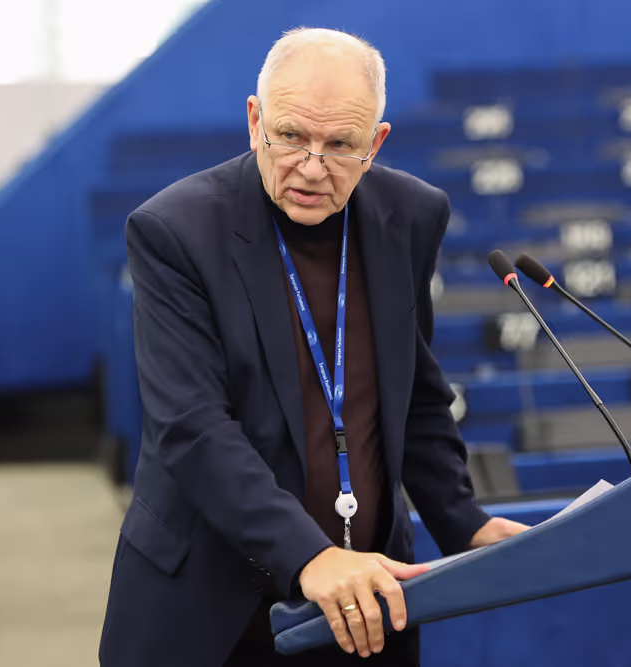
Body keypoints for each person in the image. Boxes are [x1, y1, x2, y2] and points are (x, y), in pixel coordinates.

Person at [98, 28, 527, 667]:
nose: (310, 166)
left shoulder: (409, 216)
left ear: (375, 145)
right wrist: (312, 555)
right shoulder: (175, 231)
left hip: (368, 602)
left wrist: (464, 519)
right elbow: (191, 428)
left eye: (340, 146)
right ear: (254, 121)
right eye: (291, 136)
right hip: (212, 610)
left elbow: (414, 393)